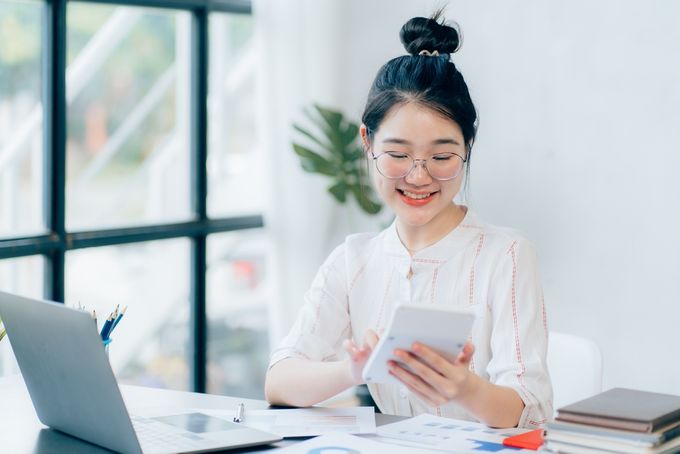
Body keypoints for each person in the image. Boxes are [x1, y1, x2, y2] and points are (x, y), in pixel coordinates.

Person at [265, 11, 553, 429]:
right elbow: (279, 380)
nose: (419, 177)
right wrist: (355, 371)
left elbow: (531, 409)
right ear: (368, 142)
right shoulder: (354, 260)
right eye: (398, 155)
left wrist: (463, 388)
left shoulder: (506, 255)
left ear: (468, 147)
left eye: (441, 157)